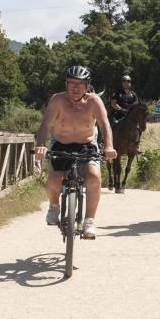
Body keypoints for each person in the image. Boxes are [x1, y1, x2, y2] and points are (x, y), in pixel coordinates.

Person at [34, 65, 117, 239]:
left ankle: (89, 221)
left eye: (80, 83)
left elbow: (104, 125)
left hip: (86, 144)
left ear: (87, 86)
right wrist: (41, 145)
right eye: (71, 83)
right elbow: (45, 125)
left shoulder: (94, 101)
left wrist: (108, 146)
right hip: (61, 144)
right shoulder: (57, 100)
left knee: (94, 176)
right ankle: (54, 206)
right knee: (54, 179)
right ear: (66, 84)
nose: (75, 87)